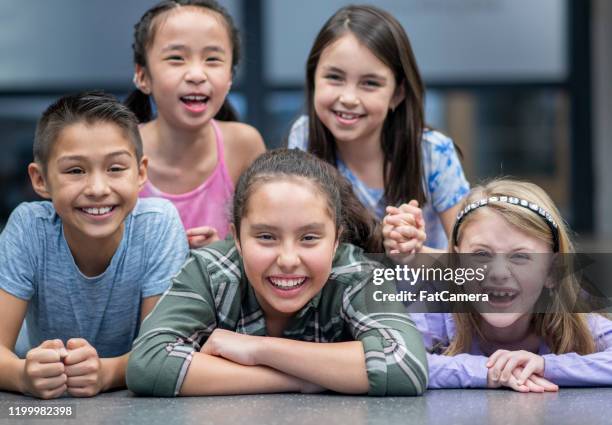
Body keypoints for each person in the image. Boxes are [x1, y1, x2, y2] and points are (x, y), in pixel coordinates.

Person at [126, 149, 428, 396]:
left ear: (336, 240)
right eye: (266, 237)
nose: (287, 259)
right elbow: (149, 363)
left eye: (309, 238)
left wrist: (258, 349)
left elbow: (406, 364)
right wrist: (299, 379)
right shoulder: (209, 270)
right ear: (237, 239)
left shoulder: (358, 274)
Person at [0, 92, 188, 399]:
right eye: (75, 170)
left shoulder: (158, 225)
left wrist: (108, 373)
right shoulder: (28, 228)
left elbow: (164, 351)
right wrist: (22, 376)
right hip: (47, 403)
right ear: (41, 180)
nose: (98, 189)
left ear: (140, 172)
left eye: (115, 168)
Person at [395, 179, 612, 391]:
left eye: (520, 257)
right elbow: (392, 359)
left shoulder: (574, 320)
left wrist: (547, 366)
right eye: (481, 254)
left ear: (552, 271)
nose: (499, 273)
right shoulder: (438, 312)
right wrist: (488, 371)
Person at [288, 4, 469, 253]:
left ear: (397, 94)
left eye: (370, 83)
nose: (349, 98)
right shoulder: (305, 136)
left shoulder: (433, 152)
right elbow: (300, 242)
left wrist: (417, 251)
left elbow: (470, 263)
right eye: (334, 77)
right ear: (313, 79)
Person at [128, 0, 266, 248]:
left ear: (231, 77)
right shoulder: (120, 150)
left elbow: (265, 238)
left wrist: (221, 253)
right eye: (176, 58)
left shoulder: (244, 144)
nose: (196, 75)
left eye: (212, 59)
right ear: (142, 75)